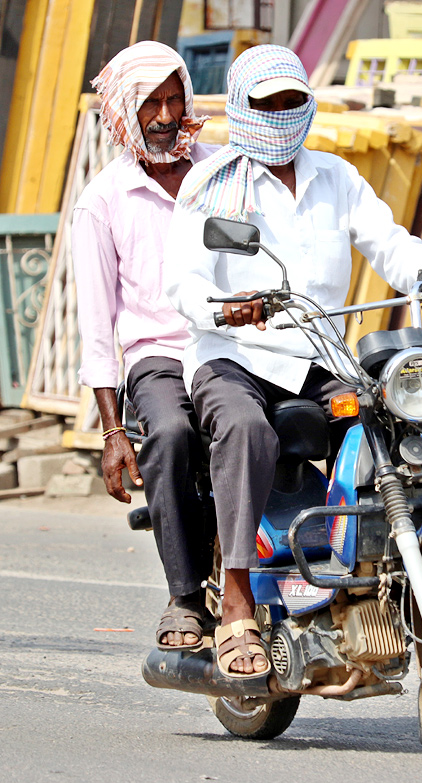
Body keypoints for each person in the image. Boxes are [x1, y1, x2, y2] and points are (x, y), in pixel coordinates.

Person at [164, 45, 422, 679]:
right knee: (246, 429)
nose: (281, 115)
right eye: (266, 103)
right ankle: (234, 602)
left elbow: (388, 242)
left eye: (292, 102)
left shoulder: (335, 177)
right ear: (238, 106)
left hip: (317, 350)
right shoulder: (212, 183)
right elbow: (183, 281)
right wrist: (227, 310)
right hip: (233, 354)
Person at [72, 41, 220, 653]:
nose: (164, 116)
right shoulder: (103, 201)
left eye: (173, 100)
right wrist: (113, 432)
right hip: (157, 355)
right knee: (171, 436)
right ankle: (185, 595)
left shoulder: (221, 169)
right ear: (126, 112)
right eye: (150, 104)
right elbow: (97, 325)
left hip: (229, 344)